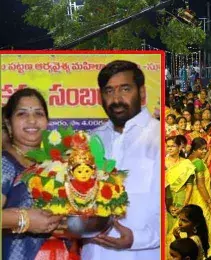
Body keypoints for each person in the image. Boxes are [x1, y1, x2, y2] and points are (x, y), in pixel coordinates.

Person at [86, 60, 161, 259]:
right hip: (93, 253)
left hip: (143, 253)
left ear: (142, 93)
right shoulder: (91, 140)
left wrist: (138, 238)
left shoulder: (159, 137)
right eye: (109, 91)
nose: (116, 99)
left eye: (125, 89)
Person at [2, 88, 70, 259]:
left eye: (38, 113)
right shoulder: (5, 164)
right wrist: (24, 219)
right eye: (22, 114)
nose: (32, 120)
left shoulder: (56, 164)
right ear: (9, 123)